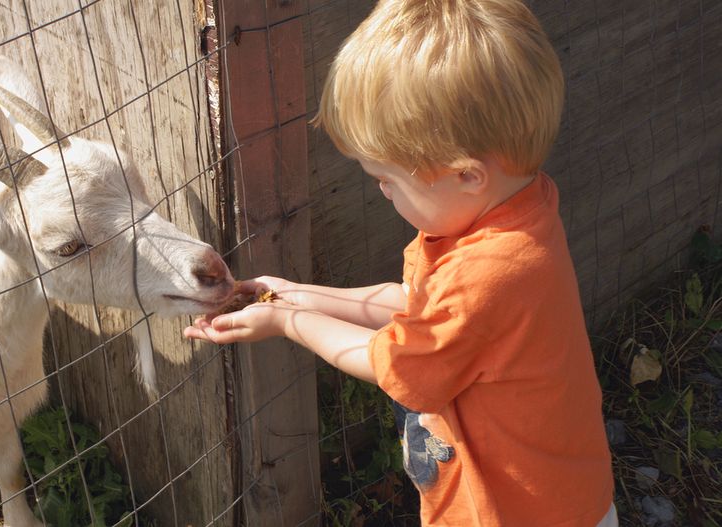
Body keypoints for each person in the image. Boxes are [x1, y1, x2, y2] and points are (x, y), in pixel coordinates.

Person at [184, 0, 617, 525]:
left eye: (388, 180)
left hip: (518, 512)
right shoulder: (514, 216)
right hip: (552, 495)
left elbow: (391, 364)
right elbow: (417, 306)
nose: (385, 193)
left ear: (467, 175)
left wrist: (286, 321)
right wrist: (293, 291)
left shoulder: (489, 273)